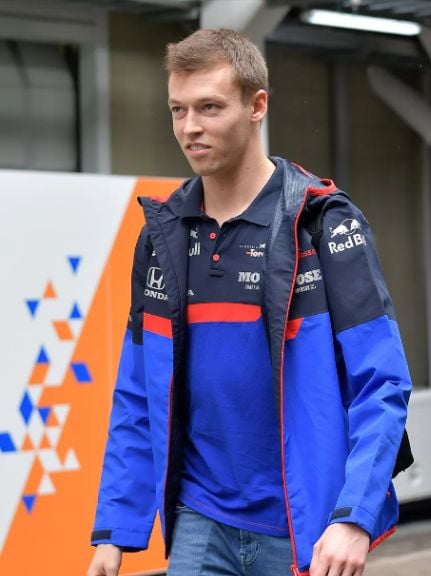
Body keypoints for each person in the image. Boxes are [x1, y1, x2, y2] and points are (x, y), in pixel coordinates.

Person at [87, 28, 412, 576]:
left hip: (305, 528)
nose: (189, 127)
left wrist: (354, 517)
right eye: (178, 109)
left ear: (257, 106)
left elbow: (381, 383)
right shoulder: (163, 234)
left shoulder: (323, 223)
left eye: (209, 107)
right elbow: (138, 392)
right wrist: (114, 531)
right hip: (199, 520)